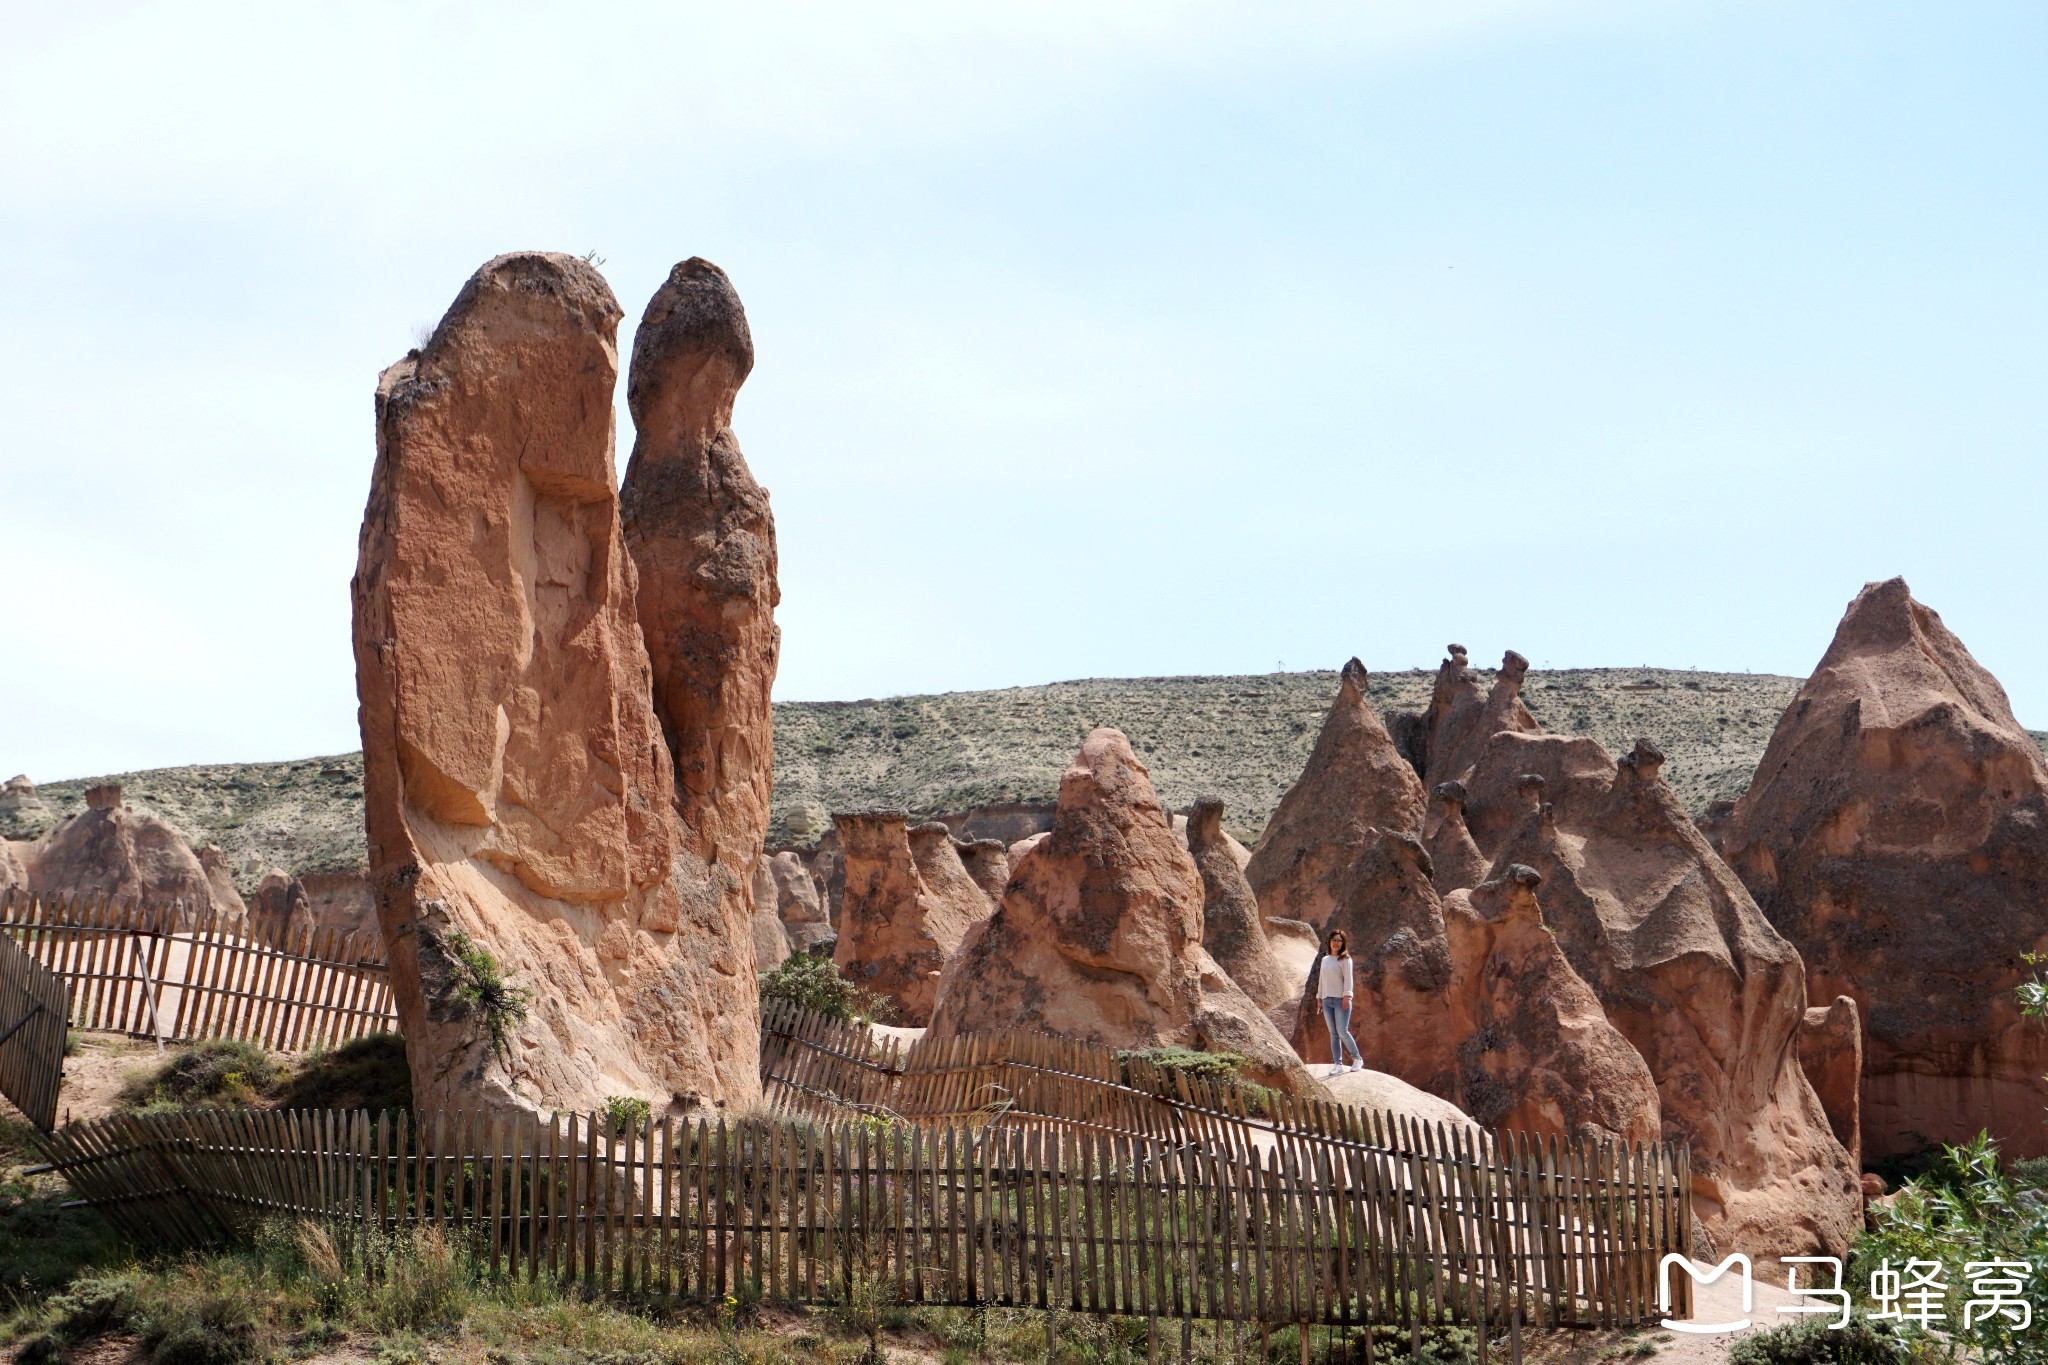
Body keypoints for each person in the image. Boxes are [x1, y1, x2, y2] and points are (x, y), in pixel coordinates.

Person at [1319, 929, 1365, 1074]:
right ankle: (1337, 1064)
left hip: (1341, 1000)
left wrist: (1347, 997)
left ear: (1343, 943)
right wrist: (1319, 998)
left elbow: (1348, 980)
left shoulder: (1345, 959)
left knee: (1342, 1031)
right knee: (1333, 1033)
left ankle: (1357, 1059)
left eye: (1339, 940)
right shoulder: (1325, 960)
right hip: (1327, 1000)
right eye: (1334, 940)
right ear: (1330, 942)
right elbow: (1321, 980)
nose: (1336, 943)